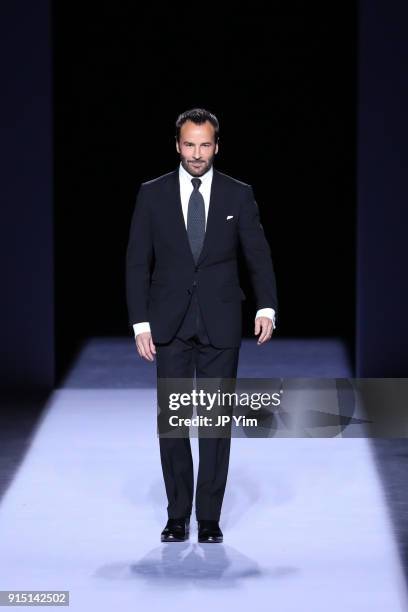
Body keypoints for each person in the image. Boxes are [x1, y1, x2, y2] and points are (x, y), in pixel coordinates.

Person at [126, 108, 278, 543]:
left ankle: (208, 517)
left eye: (204, 145)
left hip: (221, 322)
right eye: (189, 145)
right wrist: (140, 322)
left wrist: (266, 306)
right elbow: (137, 261)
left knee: (213, 422)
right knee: (173, 423)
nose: (197, 153)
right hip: (168, 324)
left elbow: (258, 255)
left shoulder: (238, 194)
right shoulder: (151, 194)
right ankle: (178, 516)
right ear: (177, 145)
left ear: (216, 145)